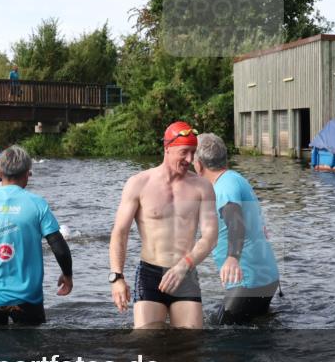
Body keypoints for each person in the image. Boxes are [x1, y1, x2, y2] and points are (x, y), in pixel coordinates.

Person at [109, 122, 217, 329]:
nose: (190, 159)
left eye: (193, 152)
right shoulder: (139, 183)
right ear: (167, 148)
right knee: (147, 340)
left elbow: (210, 236)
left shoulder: (202, 187)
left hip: (185, 273)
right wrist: (117, 277)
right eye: (184, 152)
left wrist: (184, 265)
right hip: (150, 274)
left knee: (190, 342)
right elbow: (120, 233)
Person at [0, 145, 73, 326]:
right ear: (27, 173)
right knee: (31, 343)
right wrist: (67, 275)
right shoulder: (38, 204)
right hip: (28, 297)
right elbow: (60, 248)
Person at [192, 134, 280, 324]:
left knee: (218, 332)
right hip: (265, 277)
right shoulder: (235, 178)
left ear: (198, 165)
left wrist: (232, 257)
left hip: (248, 281)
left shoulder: (223, 188)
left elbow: (236, 222)